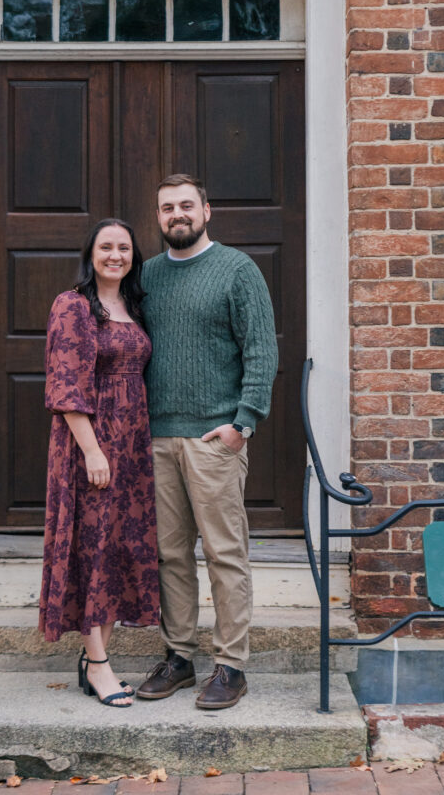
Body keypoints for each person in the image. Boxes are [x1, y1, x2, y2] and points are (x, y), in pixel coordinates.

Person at [137, 174, 278, 710]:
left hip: (215, 436)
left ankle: (230, 666)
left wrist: (243, 423)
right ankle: (178, 657)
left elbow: (261, 351)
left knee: (224, 553)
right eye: (168, 207)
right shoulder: (146, 276)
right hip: (157, 438)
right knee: (169, 554)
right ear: (159, 217)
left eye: (186, 205)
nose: (178, 214)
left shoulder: (238, 270)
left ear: (207, 211)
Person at [38, 218, 160, 708]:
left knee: (117, 547)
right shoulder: (73, 305)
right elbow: (66, 385)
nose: (115, 255)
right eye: (106, 247)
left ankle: (96, 661)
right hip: (90, 444)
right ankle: (100, 664)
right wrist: (91, 451)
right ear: (90, 253)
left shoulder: (133, 305)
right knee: (92, 546)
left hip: (133, 445)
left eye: (124, 247)